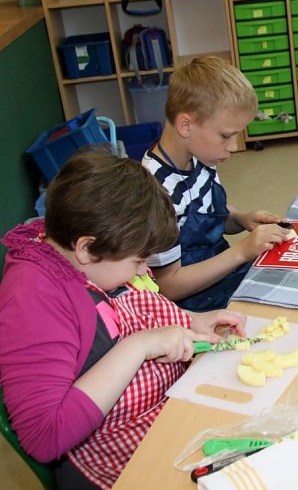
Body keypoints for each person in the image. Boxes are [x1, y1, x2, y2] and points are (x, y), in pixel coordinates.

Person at [0, 150, 248, 490]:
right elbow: (45, 437)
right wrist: (141, 345)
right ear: (87, 249)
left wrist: (190, 321)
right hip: (112, 464)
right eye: (137, 261)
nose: (145, 271)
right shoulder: (33, 302)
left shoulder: (78, 247)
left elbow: (119, 314)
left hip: (157, 408)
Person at [142, 56, 292, 311]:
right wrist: (242, 252)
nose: (233, 147)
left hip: (222, 274)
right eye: (226, 135)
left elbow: (210, 215)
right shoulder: (156, 193)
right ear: (186, 124)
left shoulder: (200, 159)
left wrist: (241, 218)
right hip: (193, 305)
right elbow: (168, 286)